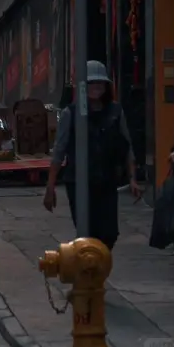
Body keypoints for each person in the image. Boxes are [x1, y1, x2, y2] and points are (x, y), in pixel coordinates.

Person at [44, 59, 141, 250]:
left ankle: (99, 265)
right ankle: (89, 267)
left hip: (107, 181)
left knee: (109, 233)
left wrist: (132, 179)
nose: (96, 87)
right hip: (79, 182)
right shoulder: (71, 113)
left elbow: (127, 146)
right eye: (91, 83)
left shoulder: (115, 111)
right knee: (87, 234)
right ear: (82, 86)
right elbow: (59, 151)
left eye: (100, 83)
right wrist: (50, 186)